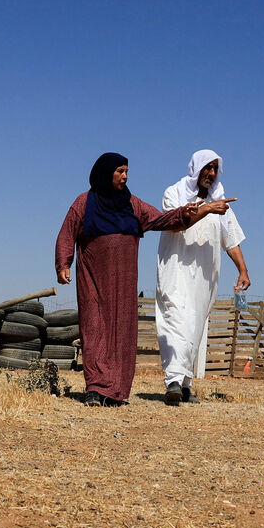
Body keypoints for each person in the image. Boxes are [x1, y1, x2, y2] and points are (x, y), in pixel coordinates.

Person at [55, 152, 229, 407]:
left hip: (124, 282)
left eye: (126, 171)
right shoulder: (85, 203)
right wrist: (63, 264)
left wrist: (191, 212)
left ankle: (115, 392)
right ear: (106, 173)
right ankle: (94, 388)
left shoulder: (132, 204)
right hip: (93, 279)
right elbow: (67, 233)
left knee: (122, 333)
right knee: (94, 328)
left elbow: (162, 220)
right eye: (120, 171)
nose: (125, 176)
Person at [155, 149, 249, 406]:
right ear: (195, 169)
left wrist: (243, 269)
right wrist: (207, 209)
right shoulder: (173, 193)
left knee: (195, 327)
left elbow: (231, 240)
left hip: (205, 277)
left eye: (214, 169)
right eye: (206, 168)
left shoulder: (220, 202)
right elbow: (174, 223)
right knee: (176, 320)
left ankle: (184, 384)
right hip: (176, 271)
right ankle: (172, 380)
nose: (210, 173)